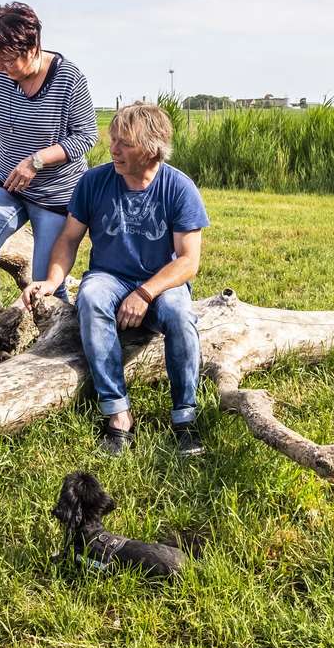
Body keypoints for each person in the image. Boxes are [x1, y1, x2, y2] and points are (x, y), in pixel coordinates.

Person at [22, 102, 209, 456]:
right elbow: (69, 238)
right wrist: (51, 280)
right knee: (91, 299)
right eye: (113, 140)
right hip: (108, 276)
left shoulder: (179, 188)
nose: (114, 149)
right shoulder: (94, 181)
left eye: (125, 142)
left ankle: (185, 418)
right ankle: (118, 413)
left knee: (181, 317)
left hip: (161, 283)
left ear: (152, 148)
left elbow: (188, 262)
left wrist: (144, 292)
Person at [0, 2, 98, 373]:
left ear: (33, 47)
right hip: (7, 182)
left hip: (56, 192)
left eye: (8, 60)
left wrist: (37, 160)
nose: (0, 68)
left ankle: (61, 351)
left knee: (45, 282)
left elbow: (86, 137)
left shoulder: (69, 78)